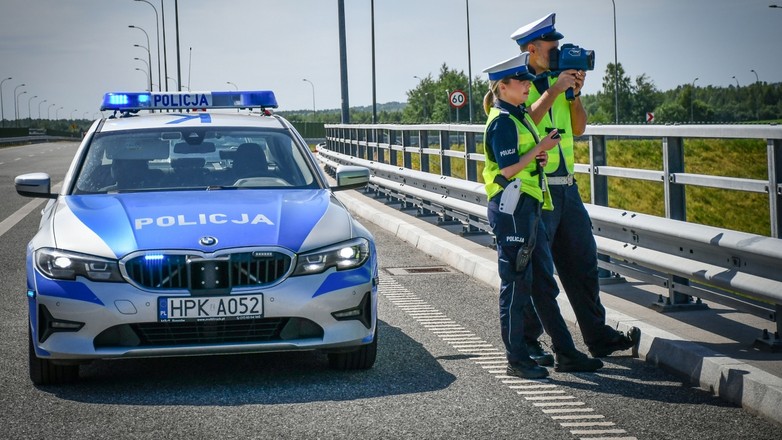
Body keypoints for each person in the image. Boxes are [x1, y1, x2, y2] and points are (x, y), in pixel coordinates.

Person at [509, 13, 641, 363]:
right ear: (533, 49)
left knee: (583, 264)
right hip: (537, 190)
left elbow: (580, 128)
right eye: (554, 48)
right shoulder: (517, 85)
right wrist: (553, 91)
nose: (560, 52)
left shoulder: (559, 83)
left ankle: (597, 337)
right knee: (537, 272)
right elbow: (525, 122)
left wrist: (573, 96)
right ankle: (530, 341)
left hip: (567, 188)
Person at [482, 52, 603, 379]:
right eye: (520, 81)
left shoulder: (517, 115)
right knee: (516, 288)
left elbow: (522, 159)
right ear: (503, 87)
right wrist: (538, 151)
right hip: (513, 209)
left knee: (540, 286)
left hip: (528, 204)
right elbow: (507, 169)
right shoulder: (503, 121)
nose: (526, 85)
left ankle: (566, 352)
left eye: (526, 80)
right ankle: (517, 360)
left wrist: (536, 156)